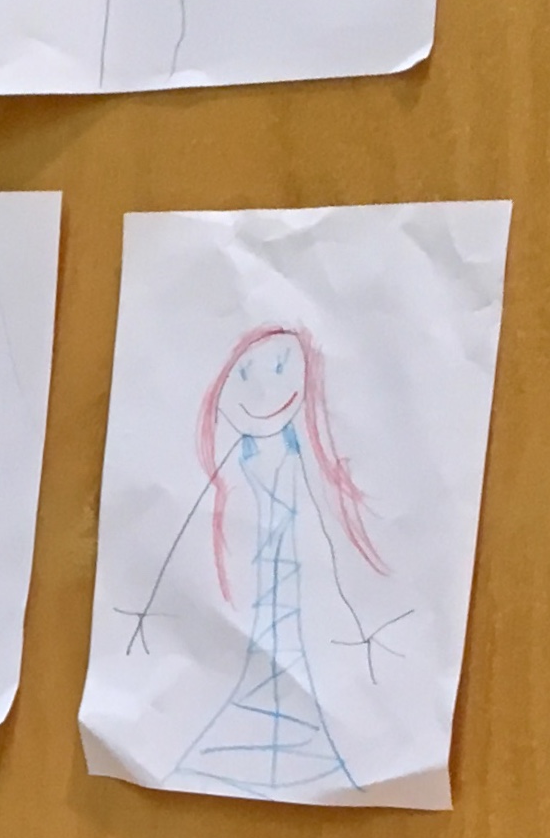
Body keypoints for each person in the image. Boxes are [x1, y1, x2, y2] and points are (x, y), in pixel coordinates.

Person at [115, 323, 403, 796]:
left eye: (282, 367)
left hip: (298, 611)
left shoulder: (301, 460)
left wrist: (352, 616)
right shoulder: (234, 470)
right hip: (252, 614)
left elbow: (322, 533)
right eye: (246, 374)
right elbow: (190, 529)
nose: (267, 389)